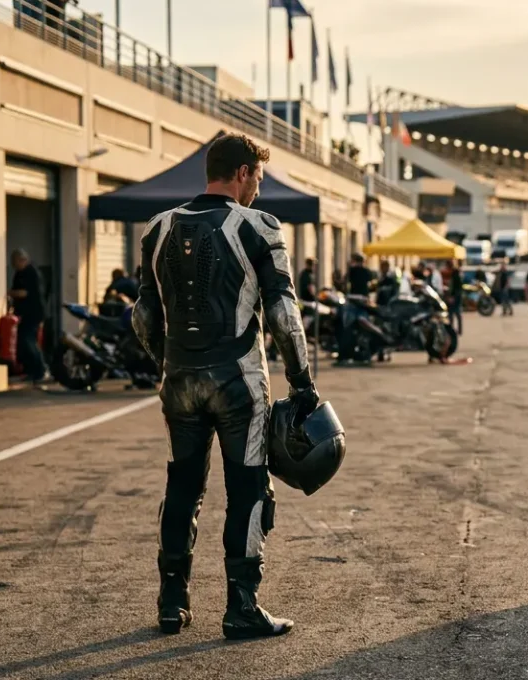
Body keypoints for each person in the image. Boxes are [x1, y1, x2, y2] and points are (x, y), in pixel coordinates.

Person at [132, 133, 318, 640]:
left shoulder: (158, 226)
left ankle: (172, 604)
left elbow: (143, 315)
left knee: (183, 486)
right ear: (240, 173)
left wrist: (168, 363)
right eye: (257, 177)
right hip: (239, 382)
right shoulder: (259, 226)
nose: (258, 187)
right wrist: (303, 385)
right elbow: (283, 315)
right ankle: (241, 608)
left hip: (180, 381)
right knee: (249, 489)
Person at [9, 249, 46, 384]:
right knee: (24, 341)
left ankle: (39, 370)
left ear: (22, 260)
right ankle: (30, 370)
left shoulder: (31, 273)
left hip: (33, 312)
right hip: (24, 313)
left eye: (14, 262)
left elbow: (25, 292)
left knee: (28, 340)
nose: (13, 265)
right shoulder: (20, 273)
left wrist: (9, 293)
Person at [446, 259, 464, 335]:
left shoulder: (455, 274)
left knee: (453, 313)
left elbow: (456, 287)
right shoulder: (456, 273)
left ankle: (452, 330)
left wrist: (452, 297)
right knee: (456, 313)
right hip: (457, 296)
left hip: (456, 296)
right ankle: (458, 330)